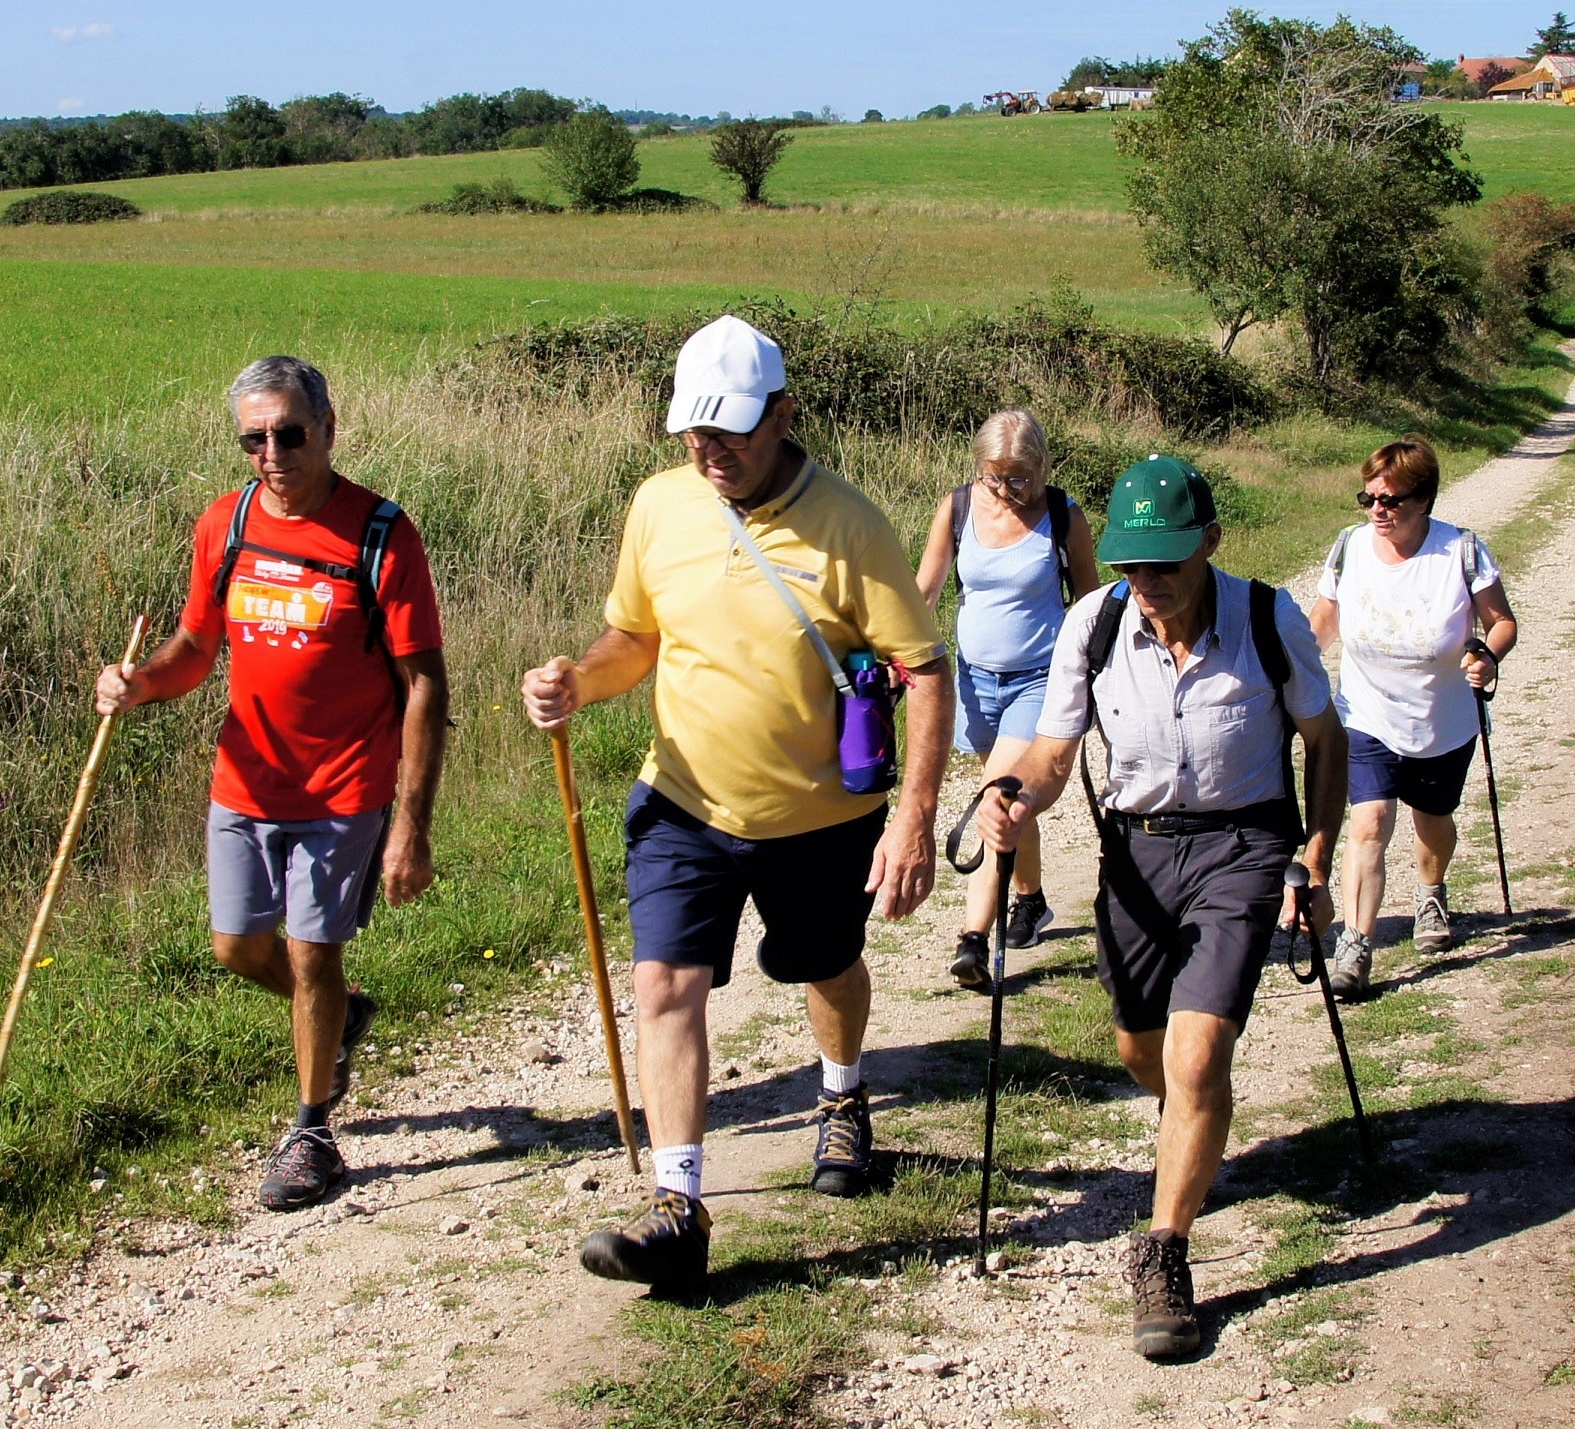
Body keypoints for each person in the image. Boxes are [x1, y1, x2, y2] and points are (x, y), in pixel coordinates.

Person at [521, 315, 954, 1289]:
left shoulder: (851, 525)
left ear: (784, 414)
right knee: (665, 985)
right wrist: (578, 682)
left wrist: (917, 816)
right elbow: (632, 635)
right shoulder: (661, 505)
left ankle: (842, 1098)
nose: (710, 452)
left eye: (730, 431)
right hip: (681, 802)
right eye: (694, 433)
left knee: (827, 965)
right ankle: (678, 1207)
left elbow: (923, 669)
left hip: (820, 819)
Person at [976, 455, 1346, 1359]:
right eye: (1131, 567)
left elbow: (1324, 740)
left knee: (1194, 1048)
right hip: (1137, 853)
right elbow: (1056, 753)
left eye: (1165, 566)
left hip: (1243, 846)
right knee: (1141, 1050)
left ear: (1210, 543)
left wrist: (1316, 855)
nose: (1146, 586)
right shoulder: (1090, 627)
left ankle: (1165, 1251)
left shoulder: (1267, 617)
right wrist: (1014, 793)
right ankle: (1198, 1109)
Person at [95, 356, 449, 1211]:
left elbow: (426, 684)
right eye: (254, 438)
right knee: (234, 949)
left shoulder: (380, 534)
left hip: (343, 788)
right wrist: (139, 681)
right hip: (245, 781)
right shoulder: (225, 523)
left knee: (308, 951)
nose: (272, 453)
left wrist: (411, 824)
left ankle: (312, 1130)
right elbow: (194, 647)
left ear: (329, 428)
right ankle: (339, 1019)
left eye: (289, 433)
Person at [1308, 435, 1517, 1000]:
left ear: (1424, 500)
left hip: (1441, 718)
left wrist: (1486, 654)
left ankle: (1431, 889)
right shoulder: (1350, 549)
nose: (1378, 509)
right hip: (1367, 712)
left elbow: (1500, 621)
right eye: (1369, 497)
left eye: (1391, 500)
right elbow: (1322, 625)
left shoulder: (1461, 551)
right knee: (1369, 822)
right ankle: (1356, 942)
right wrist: (1289, 673)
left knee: (1433, 822)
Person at [915, 409, 1098, 987]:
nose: (1006, 490)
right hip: (974, 680)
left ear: (1042, 467)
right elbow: (927, 588)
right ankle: (1033, 899)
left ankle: (972, 938)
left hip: (1039, 680)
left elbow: (1092, 603)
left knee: (995, 796)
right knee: (1015, 802)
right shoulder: (959, 507)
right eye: (995, 476)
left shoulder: (1064, 516)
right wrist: (893, 655)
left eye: (1019, 478)